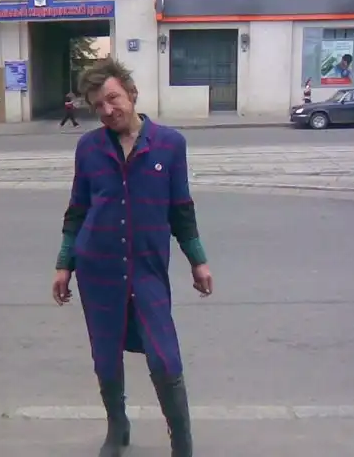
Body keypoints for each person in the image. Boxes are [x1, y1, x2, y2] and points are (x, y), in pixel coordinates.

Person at [52, 58, 213, 457]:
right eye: (98, 106)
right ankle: (117, 426)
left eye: (113, 99)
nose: (107, 111)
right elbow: (77, 210)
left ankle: (182, 442)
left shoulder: (170, 144)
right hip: (98, 271)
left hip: (147, 270)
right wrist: (64, 264)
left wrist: (198, 260)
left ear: (131, 93)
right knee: (105, 357)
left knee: (165, 359)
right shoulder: (89, 148)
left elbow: (181, 209)